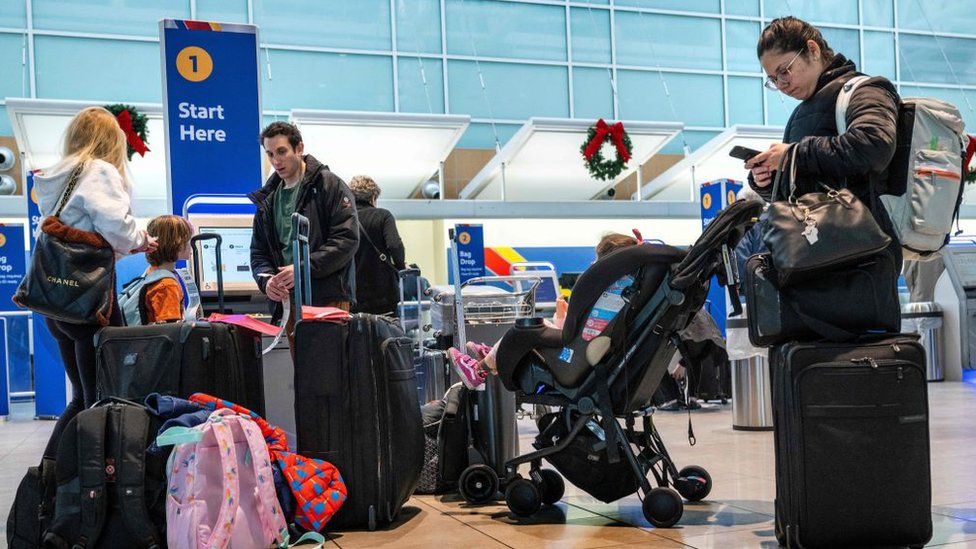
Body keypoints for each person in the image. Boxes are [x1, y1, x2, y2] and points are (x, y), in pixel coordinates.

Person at [33, 106, 157, 457]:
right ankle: (88, 485)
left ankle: (52, 479)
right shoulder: (98, 171)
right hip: (90, 300)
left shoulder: (57, 176)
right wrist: (142, 238)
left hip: (57, 300)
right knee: (103, 400)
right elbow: (116, 226)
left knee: (83, 399)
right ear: (109, 139)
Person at [744, 16, 901, 269]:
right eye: (773, 79)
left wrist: (794, 154)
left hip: (863, 259)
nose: (782, 85)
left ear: (813, 50)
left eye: (784, 71)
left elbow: (874, 145)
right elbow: (801, 194)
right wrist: (769, 179)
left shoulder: (865, 90)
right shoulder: (799, 114)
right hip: (813, 259)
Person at [249, 122, 359, 352]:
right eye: (270, 154)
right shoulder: (268, 200)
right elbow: (258, 252)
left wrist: (302, 268)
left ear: (299, 148)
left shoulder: (329, 184)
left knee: (331, 371)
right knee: (303, 372)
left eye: (281, 151)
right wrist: (267, 281)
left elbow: (346, 239)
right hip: (289, 300)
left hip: (327, 296)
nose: (276, 160)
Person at [348, 175, 406, 315]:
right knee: (386, 333)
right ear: (373, 197)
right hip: (383, 293)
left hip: (354, 293)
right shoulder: (383, 215)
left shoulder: (345, 218)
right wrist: (400, 266)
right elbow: (394, 245)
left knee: (357, 333)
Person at [120, 215, 193, 325]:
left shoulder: (152, 273)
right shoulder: (167, 285)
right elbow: (170, 331)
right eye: (188, 241)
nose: (190, 246)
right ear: (176, 243)